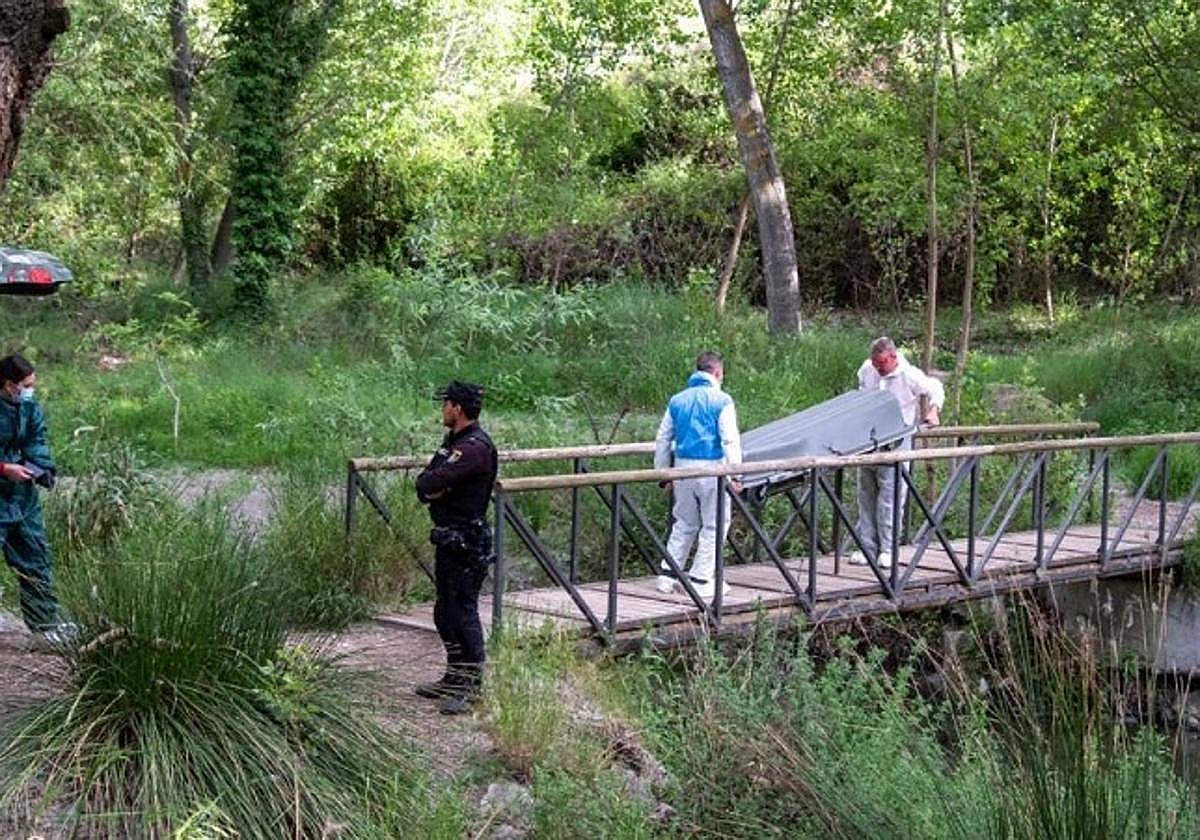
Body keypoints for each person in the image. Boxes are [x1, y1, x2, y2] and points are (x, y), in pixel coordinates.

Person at [414, 380, 498, 715]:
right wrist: (437, 487)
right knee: (444, 611)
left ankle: (472, 686)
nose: (442, 409)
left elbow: (434, 481)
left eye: (445, 403)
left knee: (463, 612)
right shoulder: (453, 442)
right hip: (449, 536)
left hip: (468, 539)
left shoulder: (474, 447)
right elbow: (424, 484)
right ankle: (454, 676)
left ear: (457, 408)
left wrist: (439, 487)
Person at [653, 351, 742, 600]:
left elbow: (663, 439)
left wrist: (663, 473)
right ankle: (701, 578)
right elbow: (729, 439)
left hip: (682, 467)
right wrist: (737, 474)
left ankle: (667, 575)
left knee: (684, 522)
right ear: (717, 373)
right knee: (715, 523)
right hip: (712, 467)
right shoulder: (722, 400)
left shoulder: (677, 400)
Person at [850, 337, 944, 569]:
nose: (878, 368)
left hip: (896, 440)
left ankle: (888, 550)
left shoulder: (909, 375)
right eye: (875, 363)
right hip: (869, 439)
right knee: (866, 494)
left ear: (893, 357)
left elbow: (935, 388)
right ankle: (867, 548)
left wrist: (933, 411)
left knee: (890, 498)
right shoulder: (867, 369)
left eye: (881, 363)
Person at [0, 353, 71, 645]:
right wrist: (4, 469)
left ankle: (44, 625)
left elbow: (36, 439)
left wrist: (42, 469)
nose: (30, 390)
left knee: (35, 555)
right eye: (25, 385)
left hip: (22, 496)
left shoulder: (29, 407)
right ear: (8, 385)